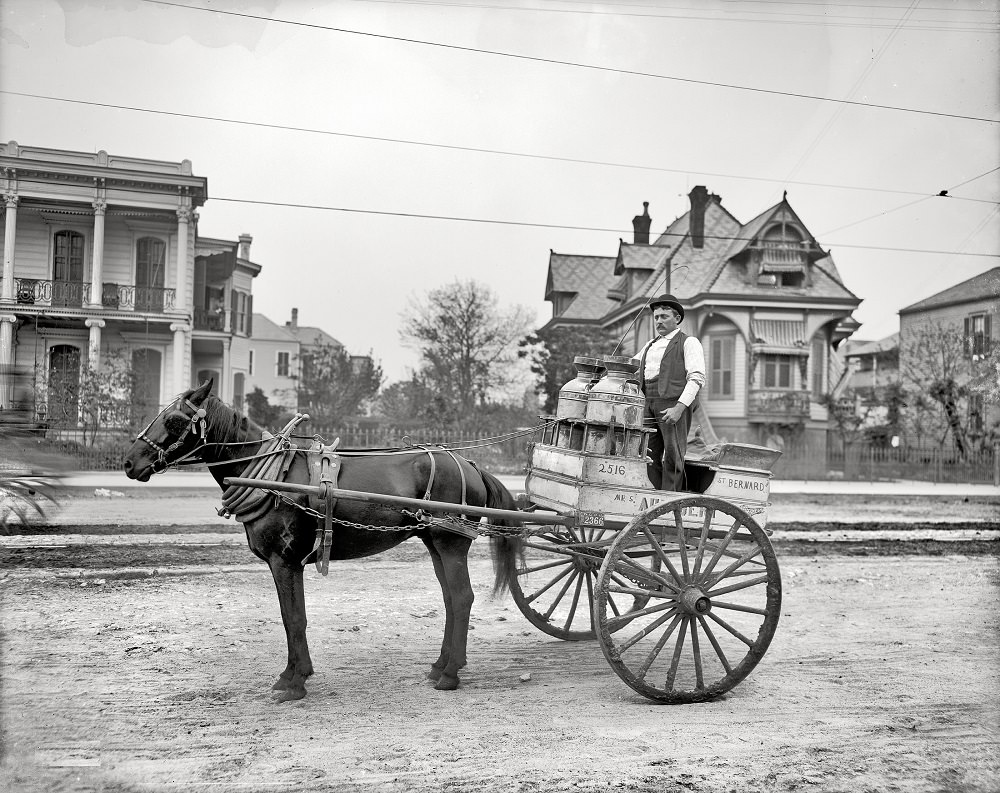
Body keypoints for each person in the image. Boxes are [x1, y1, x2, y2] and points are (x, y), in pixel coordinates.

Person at [636, 294, 706, 491]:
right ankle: (652, 497)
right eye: (656, 317)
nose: (659, 321)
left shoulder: (689, 342)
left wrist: (679, 408)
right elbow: (630, 367)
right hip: (647, 404)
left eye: (664, 316)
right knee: (647, 454)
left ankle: (671, 500)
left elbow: (697, 378)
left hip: (674, 404)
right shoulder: (649, 346)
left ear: (677, 319)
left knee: (674, 455)